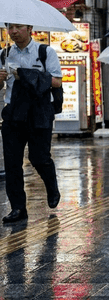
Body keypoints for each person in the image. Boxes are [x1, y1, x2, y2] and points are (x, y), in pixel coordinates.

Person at [0, 22, 64, 223]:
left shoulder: (45, 52)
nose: (13, 32)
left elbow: (57, 81)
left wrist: (26, 74)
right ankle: (18, 208)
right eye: (10, 28)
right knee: (12, 163)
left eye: (18, 27)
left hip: (39, 112)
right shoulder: (4, 54)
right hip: (13, 113)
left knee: (39, 158)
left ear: (29, 29)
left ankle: (52, 187)